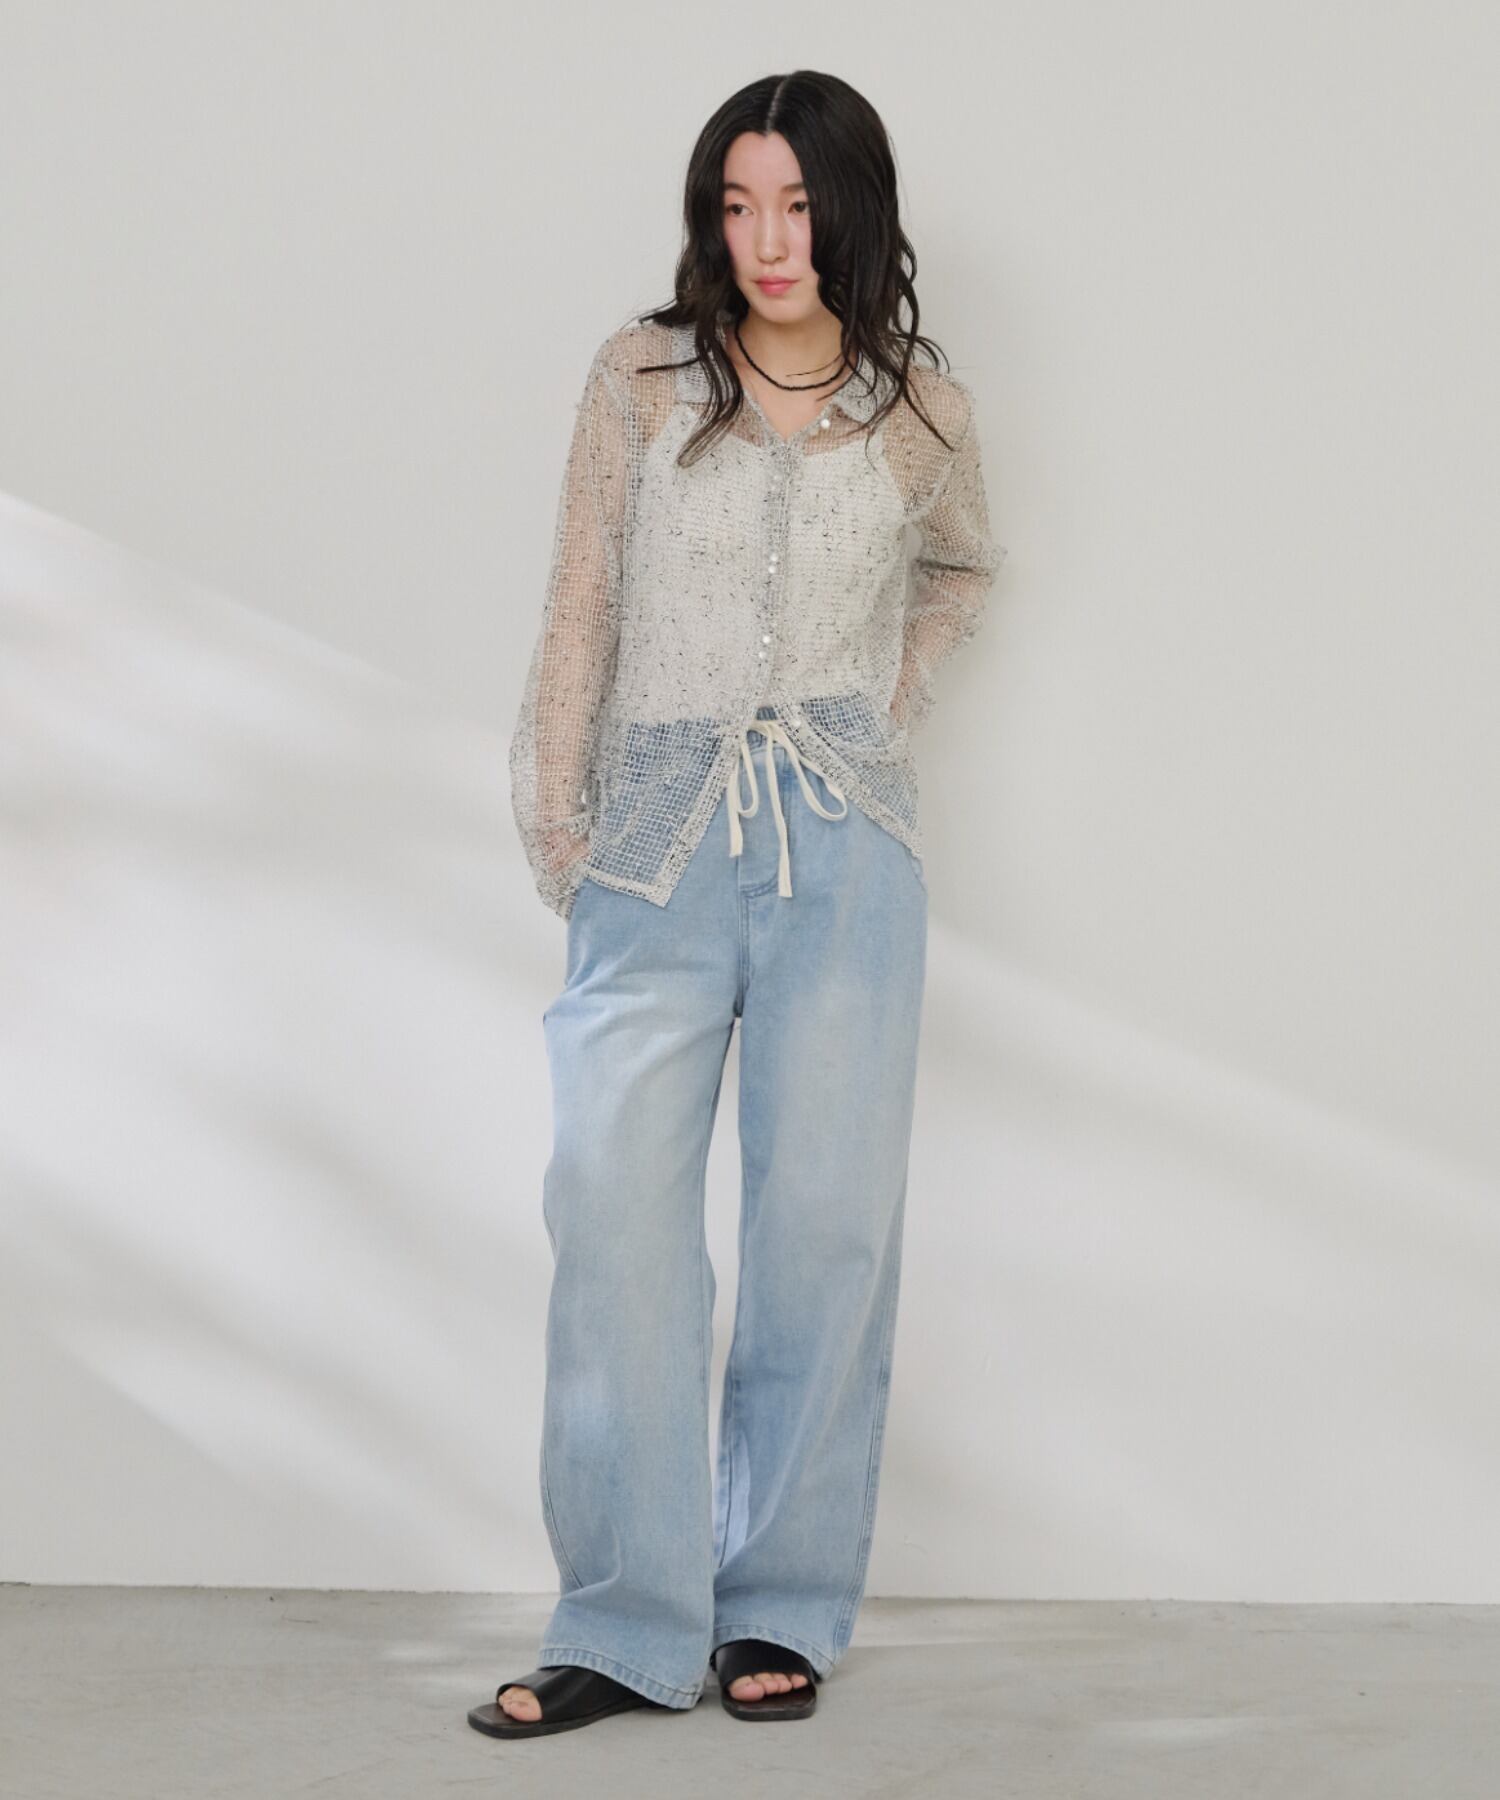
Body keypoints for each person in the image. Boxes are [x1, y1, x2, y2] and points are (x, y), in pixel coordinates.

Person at [469, 67, 1005, 1741]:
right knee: (616, 1229)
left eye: (798, 203)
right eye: (738, 203)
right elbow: (579, 607)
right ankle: (623, 1622)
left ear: (851, 211)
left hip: (844, 856)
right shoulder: (639, 380)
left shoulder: (919, 409)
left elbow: (964, 568)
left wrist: (877, 714)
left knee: (824, 1236)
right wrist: (566, 835)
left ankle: (778, 1604)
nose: (770, 239)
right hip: (652, 849)